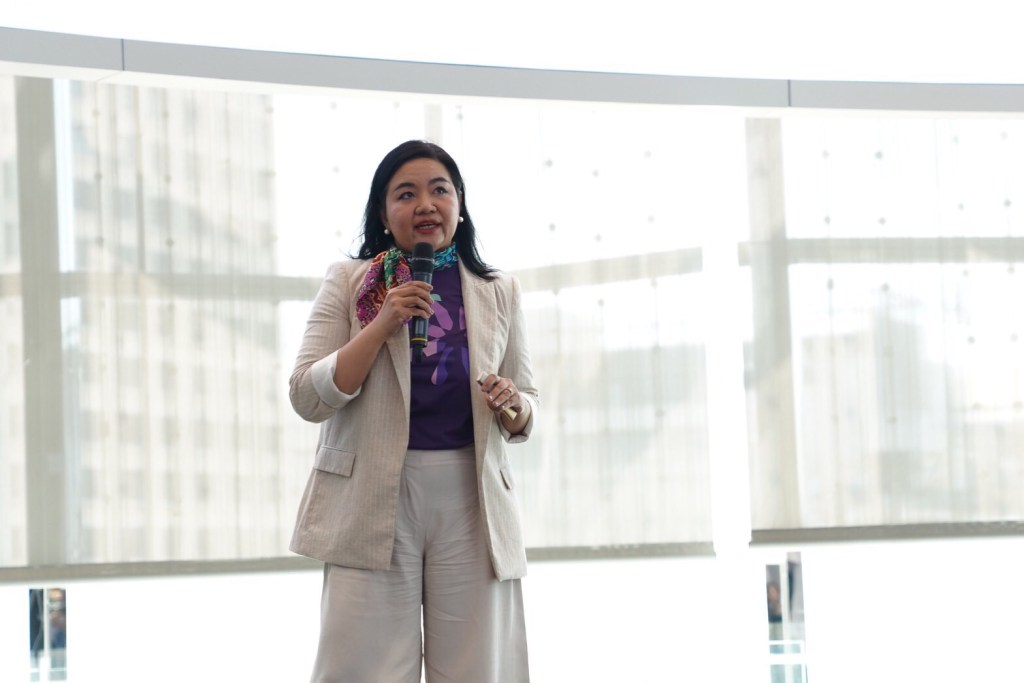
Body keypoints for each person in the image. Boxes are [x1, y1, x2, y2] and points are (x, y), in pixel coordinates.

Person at [288, 139, 538, 683]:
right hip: (370, 494)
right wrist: (381, 324)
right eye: (405, 194)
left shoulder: (500, 290)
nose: (425, 204)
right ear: (384, 213)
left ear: (459, 204)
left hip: (472, 495)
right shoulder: (349, 282)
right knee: (365, 668)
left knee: (478, 667)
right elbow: (307, 395)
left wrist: (514, 405)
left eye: (439, 190)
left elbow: (527, 403)